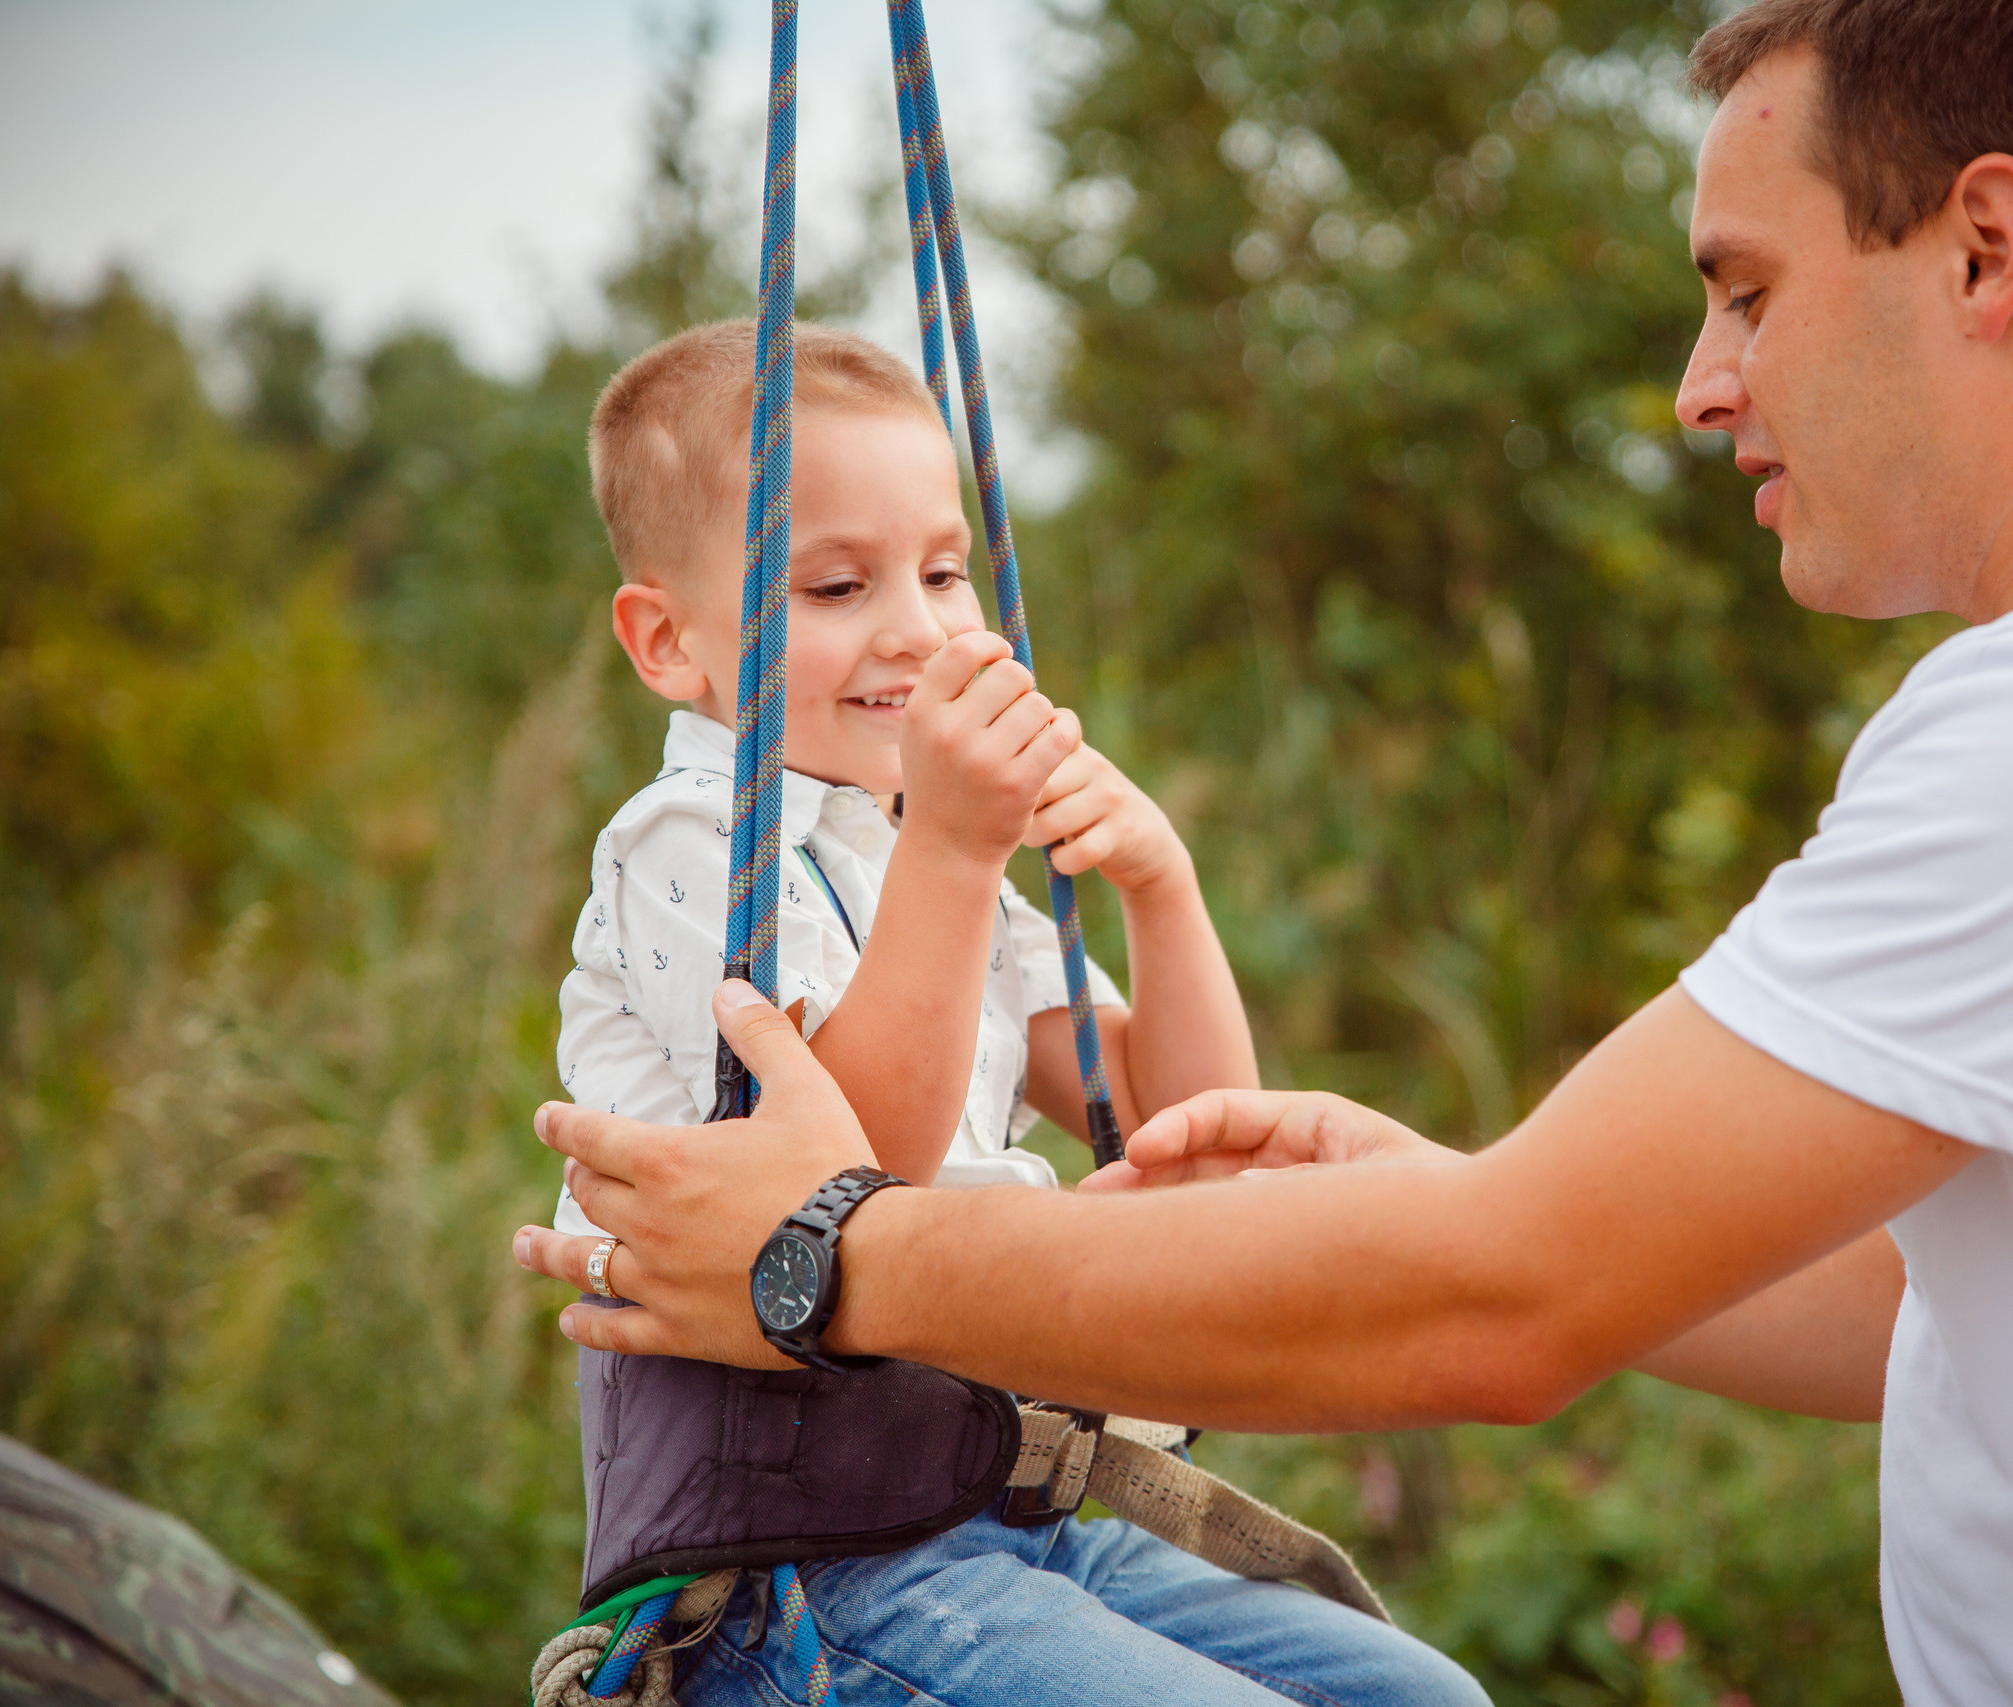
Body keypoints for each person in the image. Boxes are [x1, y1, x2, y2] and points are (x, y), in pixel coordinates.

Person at [515, 2, 2013, 1702]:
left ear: (1982, 246)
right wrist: (1469, 1191)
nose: (1702, 382)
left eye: (1743, 287)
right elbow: (1955, 1306)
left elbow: (1496, 1312)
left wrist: (813, 1251)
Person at [558, 319, 1486, 1707]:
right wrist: (955, 849)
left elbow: (1189, 1133)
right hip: (800, 1572)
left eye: (942, 571)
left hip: (1005, 1518)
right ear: (670, 642)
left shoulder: (921, 840)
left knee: (1426, 1699)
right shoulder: (691, 847)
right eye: (833, 585)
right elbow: (845, 1193)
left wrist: (1160, 887)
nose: (919, 630)